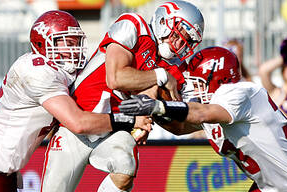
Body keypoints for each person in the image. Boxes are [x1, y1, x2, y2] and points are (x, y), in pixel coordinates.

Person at [0, 10, 151, 191]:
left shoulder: (62, 70)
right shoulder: (36, 72)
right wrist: (130, 121)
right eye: (67, 43)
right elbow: (78, 122)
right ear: (42, 43)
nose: (74, 49)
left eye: (76, 42)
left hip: (2, 170)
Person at [41, 1, 204, 192]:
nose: (178, 44)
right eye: (177, 35)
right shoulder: (134, 25)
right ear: (163, 22)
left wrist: (157, 109)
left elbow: (178, 127)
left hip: (112, 130)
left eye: (186, 41)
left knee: (126, 164)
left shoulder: (174, 68)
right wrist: (159, 76)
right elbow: (116, 78)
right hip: (74, 126)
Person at [119, 46, 287, 191]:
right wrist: (152, 109)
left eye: (198, 82)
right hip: (269, 188)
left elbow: (201, 113)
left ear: (218, 78)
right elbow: (180, 127)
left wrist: (158, 105)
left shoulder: (239, 92)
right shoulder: (216, 107)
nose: (193, 89)